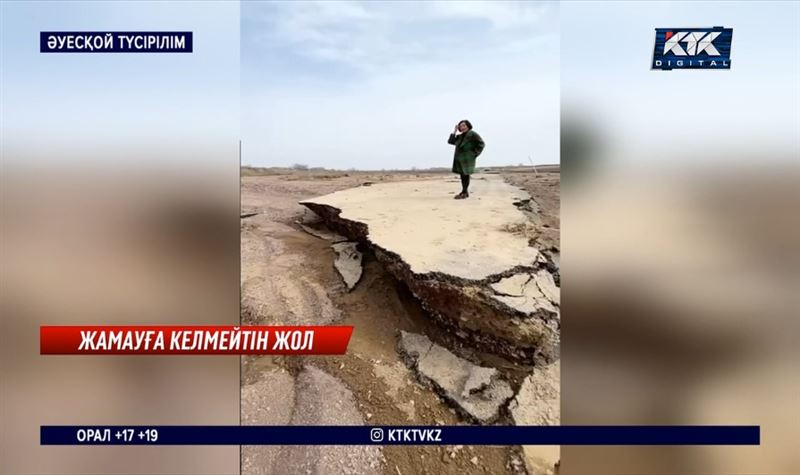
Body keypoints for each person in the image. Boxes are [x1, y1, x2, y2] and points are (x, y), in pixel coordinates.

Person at [447, 120, 485, 199]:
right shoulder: (460, 136)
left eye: (464, 125)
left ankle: (464, 192)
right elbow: (451, 141)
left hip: (468, 158)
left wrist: (474, 154)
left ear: (468, 126)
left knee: (466, 175)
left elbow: (481, 144)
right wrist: (454, 131)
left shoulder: (473, 134)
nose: (462, 127)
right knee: (462, 176)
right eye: (460, 126)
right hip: (459, 159)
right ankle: (464, 191)